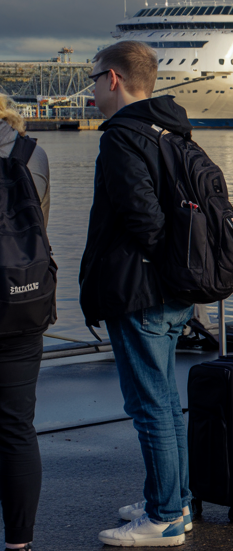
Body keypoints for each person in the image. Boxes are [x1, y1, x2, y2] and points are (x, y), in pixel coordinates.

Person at [80, 41, 194, 546]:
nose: (91, 90)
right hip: (174, 288)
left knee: (150, 406)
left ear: (113, 79)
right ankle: (173, 499)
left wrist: (154, 260)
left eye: (92, 79)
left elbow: (143, 218)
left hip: (139, 288)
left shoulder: (122, 138)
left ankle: (165, 516)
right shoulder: (172, 130)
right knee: (166, 401)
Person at [0, 94, 50, 551]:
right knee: (17, 426)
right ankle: (19, 541)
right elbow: (41, 225)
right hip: (23, 300)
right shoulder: (32, 152)